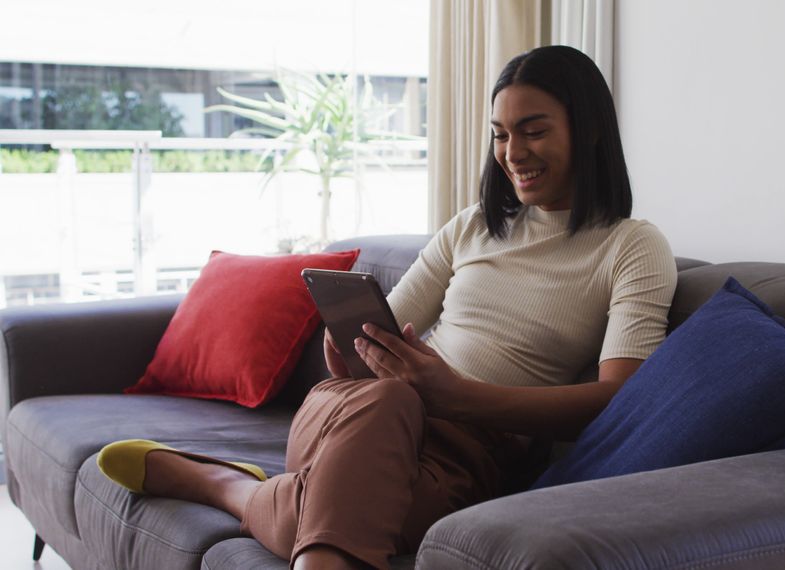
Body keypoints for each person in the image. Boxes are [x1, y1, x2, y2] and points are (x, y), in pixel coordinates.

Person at [96, 45, 677, 570]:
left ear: (591, 130)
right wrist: (353, 357)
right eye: (500, 134)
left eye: (533, 131)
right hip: (359, 409)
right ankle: (249, 489)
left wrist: (458, 397)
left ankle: (230, 488)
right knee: (389, 397)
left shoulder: (631, 247)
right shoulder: (474, 227)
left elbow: (621, 399)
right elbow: (386, 331)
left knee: (353, 502)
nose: (512, 152)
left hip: (468, 450)